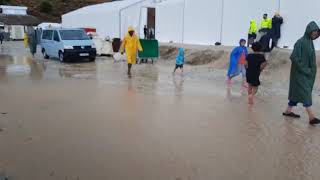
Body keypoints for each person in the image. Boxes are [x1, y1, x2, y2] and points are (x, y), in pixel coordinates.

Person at [282, 21, 320, 125]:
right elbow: (294, 57)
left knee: (297, 94)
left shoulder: (310, 42)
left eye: (317, 32)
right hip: (299, 73)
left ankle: (287, 111)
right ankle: (311, 118)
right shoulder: (300, 42)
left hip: (306, 74)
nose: (315, 33)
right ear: (309, 30)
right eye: (314, 31)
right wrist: (306, 70)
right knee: (306, 93)